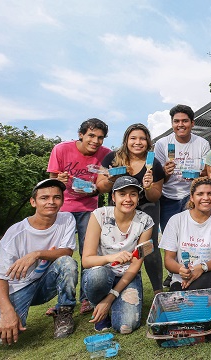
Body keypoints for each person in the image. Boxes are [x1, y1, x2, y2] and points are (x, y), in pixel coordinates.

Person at [0, 179, 78, 344]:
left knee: (67, 263)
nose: (51, 202)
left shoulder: (66, 219)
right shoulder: (15, 234)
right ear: (33, 202)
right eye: (44, 198)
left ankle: (64, 312)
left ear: (62, 201)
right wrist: (7, 312)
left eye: (56, 197)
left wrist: (36, 254)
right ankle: (11, 313)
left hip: (43, 284)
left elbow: (67, 252)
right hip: (17, 288)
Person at [47, 118, 112, 314]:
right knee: (60, 254)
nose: (95, 141)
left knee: (88, 254)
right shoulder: (61, 149)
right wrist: (60, 179)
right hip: (63, 209)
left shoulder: (106, 154)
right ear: (81, 134)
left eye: (100, 137)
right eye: (91, 135)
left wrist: (95, 189)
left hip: (88, 209)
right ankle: (63, 300)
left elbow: (104, 185)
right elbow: (52, 180)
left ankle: (86, 298)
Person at [97, 124, 165, 294]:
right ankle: (117, 286)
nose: (138, 142)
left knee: (149, 248)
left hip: (147, 207)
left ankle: (158, 291)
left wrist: (148, 187)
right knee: (118, 246)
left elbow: (155, 196)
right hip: (121, 208)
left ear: (148, 141)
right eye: (133, 138)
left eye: (142, 138)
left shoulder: (154, 164)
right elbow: (100, 186)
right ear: (126, 140)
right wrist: (112, 179)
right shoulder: (111, 158)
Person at [81, 176, 154, 334]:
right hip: (101, 272)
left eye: (133, 194)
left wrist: (111, 297)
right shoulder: (99, 215)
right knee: (98, 276)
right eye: (122, 194)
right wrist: (110, 258)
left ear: (138, 198)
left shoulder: (146, 222)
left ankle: (110, 302)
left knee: (125, 327)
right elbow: (86, 260)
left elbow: (135, 265)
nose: (128, 199)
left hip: (127, 276)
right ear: (113, 197)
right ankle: (99, 307)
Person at [154, 105, 210, 288]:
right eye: (176, 121)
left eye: (185, 121)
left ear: (192, 123)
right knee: (172, 237)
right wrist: (166, 172)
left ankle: (196, 268)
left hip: (190, 195)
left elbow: (205, 174)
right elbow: (159, 176)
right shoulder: (163, 144)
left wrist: (199, 173)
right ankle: (173, 272)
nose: (180, 124)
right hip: (168, 196)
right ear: (172, 124)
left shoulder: (202, 143)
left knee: (191, 236)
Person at [159, 177, 211, 313]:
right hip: (183, 277)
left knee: (184, 297)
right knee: (176, 296)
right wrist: (182, 270)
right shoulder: (176, 220)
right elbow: (168, 260)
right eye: (200, 194)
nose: (206, 198)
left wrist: (201, 267)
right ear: (191, 197)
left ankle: (201, 301)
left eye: (210, 193)